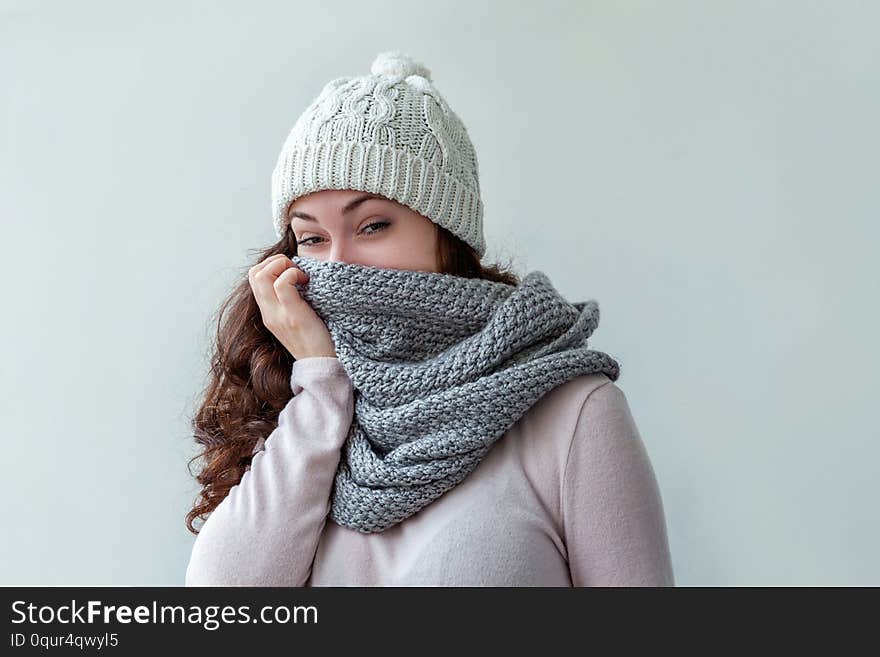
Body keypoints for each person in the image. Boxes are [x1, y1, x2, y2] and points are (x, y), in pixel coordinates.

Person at [184, 51, 674, 586]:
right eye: (312, 238)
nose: (338, 263)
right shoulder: (296, 403)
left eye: (372, 226)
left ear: (447, 234)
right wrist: (323, 386)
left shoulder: (574, 413)